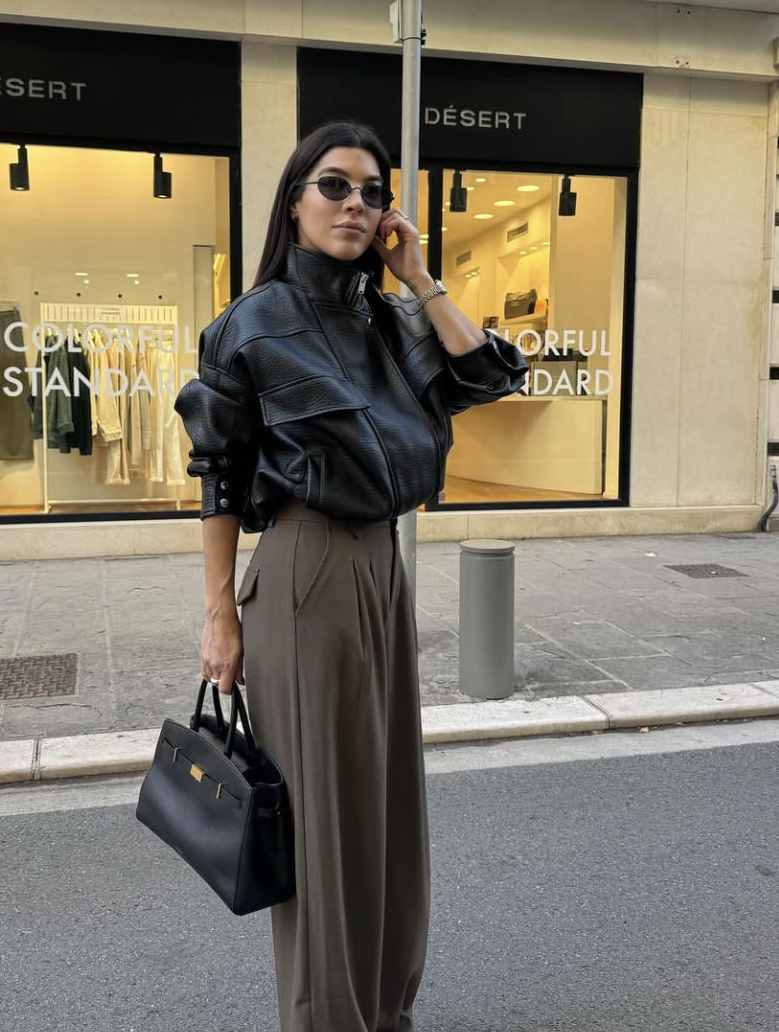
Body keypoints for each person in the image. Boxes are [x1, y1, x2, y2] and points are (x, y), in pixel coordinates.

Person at [175, 120, 528, 1032]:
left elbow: (487, 377)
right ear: (294, 199)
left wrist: (417, 277)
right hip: (304, 567)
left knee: (385, 801)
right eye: (334, 186)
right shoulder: (248, 328)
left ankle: (384, 1006)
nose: (356, 205)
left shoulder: (384, 317)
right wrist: (220, 615)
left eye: (373, 192)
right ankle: (329, 1018)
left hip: (382, 565)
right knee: (325, 819)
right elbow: (217, 476)